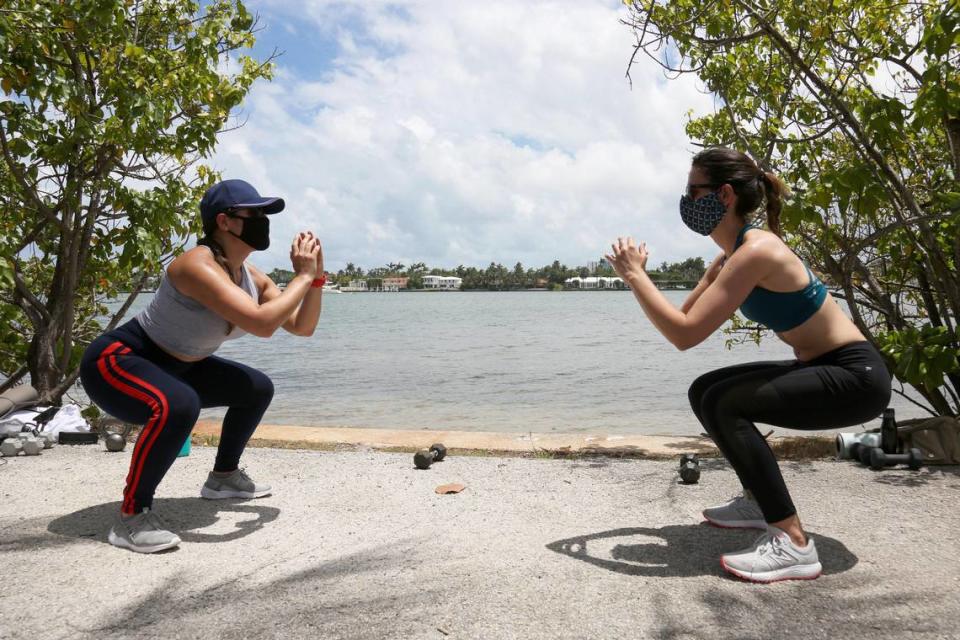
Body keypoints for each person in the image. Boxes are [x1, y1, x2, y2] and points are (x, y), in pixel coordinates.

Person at [605, 147, 891, 583]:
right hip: (826, 367)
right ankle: (757, 501)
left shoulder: (759, 250)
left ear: (723, 195)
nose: (685, 199)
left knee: (725, 404)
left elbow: (683, 335)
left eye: (691, 190)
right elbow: (685, 315)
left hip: (855, 378)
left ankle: (793, 542)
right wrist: (707, 273)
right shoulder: (735, 254)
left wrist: (635, 276)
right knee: (706, 391)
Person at [80, 179, 325, 553]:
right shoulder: (196, 265)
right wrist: (302, 276)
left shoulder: (252, 276)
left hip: (180, 365)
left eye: (265, 213)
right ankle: (131, 517)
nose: (263, 220)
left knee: (256, 388)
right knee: (179, 404)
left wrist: (317, 279)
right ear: (225, 222)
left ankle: (223, 478)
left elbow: (301, 327)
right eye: (255, 213)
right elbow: (262, 324)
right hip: (117, 363)